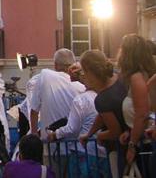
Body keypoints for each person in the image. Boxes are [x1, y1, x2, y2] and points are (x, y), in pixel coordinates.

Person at [47, 63, 108, 178]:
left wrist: (55, 134)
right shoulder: (103, 97)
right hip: (103, 151)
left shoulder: (81, 100)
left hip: (84, 151)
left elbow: (72, 128)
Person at [79, 50, 127, 178]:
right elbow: (103, 115)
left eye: (84, 71)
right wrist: (89, 133)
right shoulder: (120, 78)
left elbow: (115, 131)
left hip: (122, 148)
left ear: (90, 72)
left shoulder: (103, 99)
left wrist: (100, 136)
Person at [117, 34, 156, 175]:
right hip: (143, 138)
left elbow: (142, 114)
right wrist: (130, 132)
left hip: (144, 144)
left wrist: (132, 145)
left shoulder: (137, 78)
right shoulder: (142, 75)